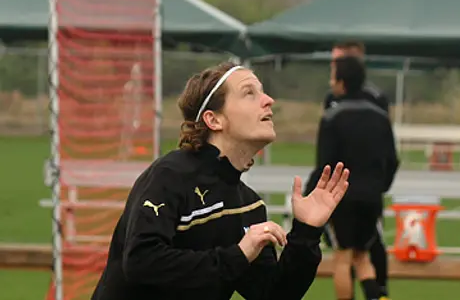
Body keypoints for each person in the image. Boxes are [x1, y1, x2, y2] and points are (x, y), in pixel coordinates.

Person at [91, 62, 350, 300]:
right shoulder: (170, 176)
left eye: (263, 92)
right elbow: (141, 262)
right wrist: (238, 255)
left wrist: (306, 232)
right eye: (250, 93)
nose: (268, 101)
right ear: (213, 119)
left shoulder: (249, 205)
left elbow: (272, 294)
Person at [309, 56, 399, 300]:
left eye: (332, 76)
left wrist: (312, 195)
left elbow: (323, 166)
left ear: (341, 82)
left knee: (343, 257)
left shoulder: (332, 117)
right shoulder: (381, 116)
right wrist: (379, 187)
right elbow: (392, 160)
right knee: (362, 256)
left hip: (343, 199)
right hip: (371, 198)